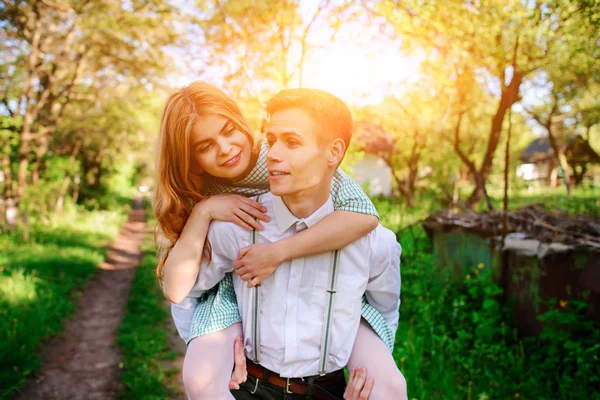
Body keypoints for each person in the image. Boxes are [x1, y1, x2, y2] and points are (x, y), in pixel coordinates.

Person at [154, 82, 407, 399]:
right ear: (190, 160)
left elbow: (365, 218)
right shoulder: (199, 199)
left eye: (229, 130)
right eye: (204, 147)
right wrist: (204, 211)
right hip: (224, 303)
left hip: (320, 353)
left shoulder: (272, 161)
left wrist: (277, 253)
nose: (225, 148)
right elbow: (180, 292)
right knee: (200, 380)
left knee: (392, 387)